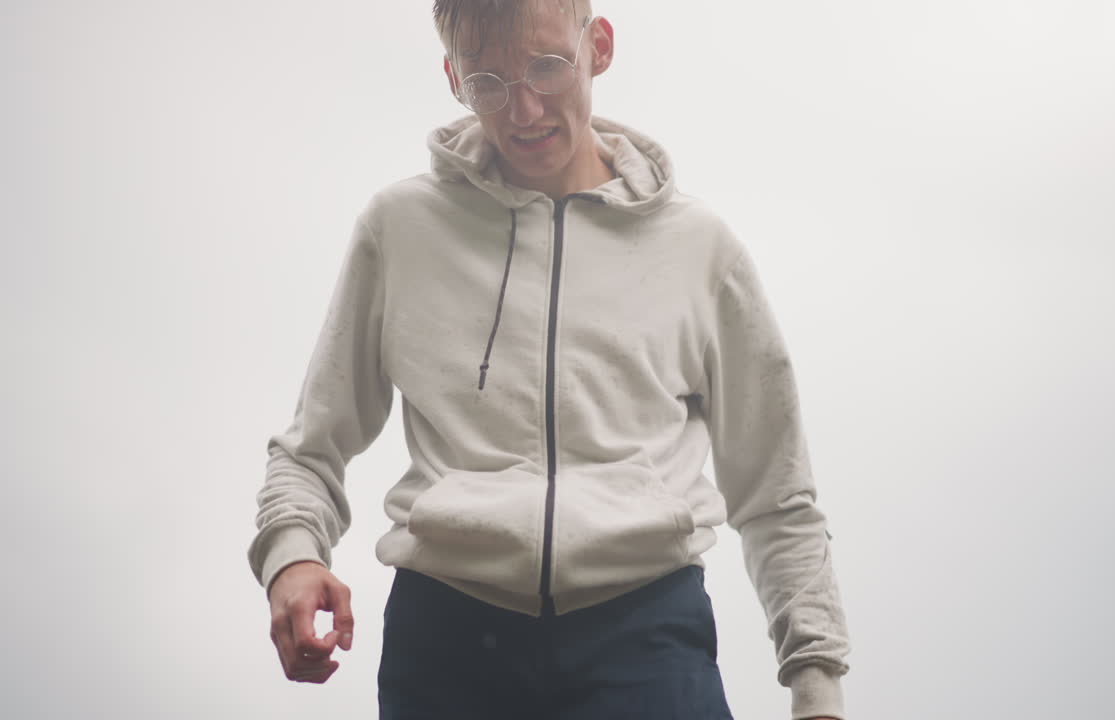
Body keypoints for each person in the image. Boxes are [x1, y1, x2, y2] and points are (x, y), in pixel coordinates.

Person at [247, 1, 850, 718]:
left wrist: (817, 688)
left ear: (598, 46)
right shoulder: (399, 230)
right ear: (452, 79)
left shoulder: (701, 250)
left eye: (545, 67)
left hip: (647, 639)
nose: (523, 108)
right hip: (446, 645)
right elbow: (309, 450)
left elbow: (776, 496)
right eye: (489, 84)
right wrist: (293, 557)